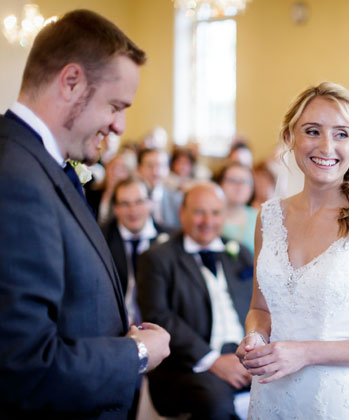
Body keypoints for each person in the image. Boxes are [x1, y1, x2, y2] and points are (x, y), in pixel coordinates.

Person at [0, 10, 170, 419]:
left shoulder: (38, 163)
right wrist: (137, 352)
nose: (119, 126)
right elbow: (25, 367)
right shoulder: (16, 180)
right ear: (71, 81)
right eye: (115, 106)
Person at [236, 82, 349, 419]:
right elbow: (261, 307)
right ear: (291, 137)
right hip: (271, 396)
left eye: (342, 134)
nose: (327, 146)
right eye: (313, 131)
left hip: (337, 401)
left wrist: (305, 353)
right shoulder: (269, 217)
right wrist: (255, 336)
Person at [137, 182, 254, 420]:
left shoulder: (240, 253)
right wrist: (212, 361)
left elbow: (259, 306)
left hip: (244, 359)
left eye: (215, 212)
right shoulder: (157, 258)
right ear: (182, 213)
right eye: (200, 212)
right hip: (189, 365)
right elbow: (158, 316)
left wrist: (255, 356)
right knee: (216, 404)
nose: (208, 221)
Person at [101, 177, 172, 325]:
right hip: (114, 323)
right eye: (125, 204)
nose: (133, 210)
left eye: (139, 202)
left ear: (150, 203)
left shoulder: (170, 239)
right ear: (115, 208)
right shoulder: (101, 238)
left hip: (161, 324)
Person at [217, 161, 258, 254]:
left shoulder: (259, 218)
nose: (239, 186)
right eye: (232, 180)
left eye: (245, 182)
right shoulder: (210, 216)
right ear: (221, 184)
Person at [137, 147, 182, 228]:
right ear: (139, 169)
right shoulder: (128, 199)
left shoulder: (177, 200)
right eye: (150, 166)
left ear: (168, 169)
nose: (156, 172)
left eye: (161, 166)